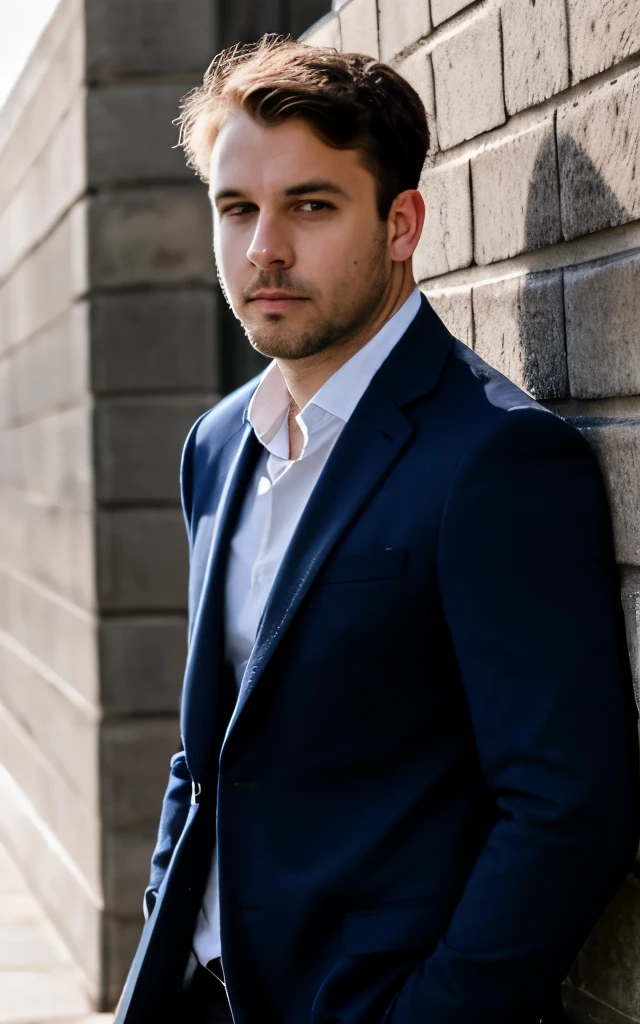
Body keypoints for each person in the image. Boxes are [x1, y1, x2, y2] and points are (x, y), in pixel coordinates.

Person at [115, 35, 640, 1024]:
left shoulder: (494, 460)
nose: (263, 248)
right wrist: (163, 928)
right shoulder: (216, 443)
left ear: (401, 224)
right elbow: (207, 750)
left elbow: (566, 814)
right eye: (237, 210)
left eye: (310, 205)